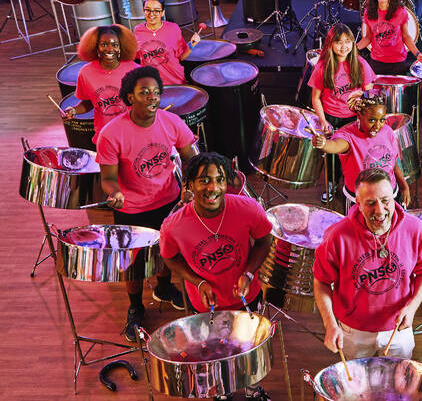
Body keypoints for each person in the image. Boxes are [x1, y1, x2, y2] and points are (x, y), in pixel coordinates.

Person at [96, 66, 197, 342]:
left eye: (156, 92)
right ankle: (135, 306)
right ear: (130, 98)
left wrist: (189, 187)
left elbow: (191, 159)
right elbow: (107, 177)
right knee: (134, 263)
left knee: (168, 253)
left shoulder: (171, 122)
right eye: (144, 92)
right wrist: (114, 192)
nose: (152, 97)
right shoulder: (111, 133)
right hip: (132, 208)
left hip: (168, 201)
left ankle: (163, 288)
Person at [313, 167, 422, 359]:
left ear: (393, 197)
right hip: (353, 331)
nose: (379, 210)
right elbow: (321, 281)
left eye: (386, 200)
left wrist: (412, 307)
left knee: (397, 386)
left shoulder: (416, 230)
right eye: (370, 203)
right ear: (358, 203)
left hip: (398, 328)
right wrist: (330, 324)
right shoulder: (337, 236)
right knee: (357, 387)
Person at [160, 152, 272, 313]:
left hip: (247, 297)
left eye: (220, 180)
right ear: (190, 185)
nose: (213, 188)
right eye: (204, 181)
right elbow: (169, 258)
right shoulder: (172, 226)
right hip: (205, 305)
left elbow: (264, 242)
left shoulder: (249, 209)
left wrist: (248, 274)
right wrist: (199, 283)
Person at [312, 92, 411, 208]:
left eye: (382, 120)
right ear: (358, 116)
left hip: (389, 196)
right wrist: (323, 144)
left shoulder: (387, 131)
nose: (378, 126)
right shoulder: (348, 135)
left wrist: (404, 186)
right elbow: (334, 146)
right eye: (372, 120)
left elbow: (392, 163)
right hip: (361, 201)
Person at [62, 25, 138, 145]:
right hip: (105, 136)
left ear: (121, 47)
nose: (109, 49)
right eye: (104, 45)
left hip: (131, 135)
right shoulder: (86, 72)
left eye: (115, 45)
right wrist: (74, 110)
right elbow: (88, 103)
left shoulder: (135, 70)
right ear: (95, 47)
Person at [310, 23, 376, 132]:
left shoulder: (361, 63)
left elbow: (368, 93)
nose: (344, 46)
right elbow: (315, 98)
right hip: (330, 117)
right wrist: (323, 121)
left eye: (347, 42)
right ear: (330, 44)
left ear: (353, 43)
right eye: (339, 42)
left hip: (355, 116)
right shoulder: (322, 66)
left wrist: (365, 117)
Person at [358, 0, 422, 75]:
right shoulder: (368, 12)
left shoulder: (400, 11)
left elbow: (406, 36)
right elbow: (368, 37)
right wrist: (353, 49)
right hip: (376, 61)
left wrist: (417, 53)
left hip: (397, 62)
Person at [134, 0, 203, 85]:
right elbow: (136, 57)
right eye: (148, 10)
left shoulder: (173, 28)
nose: (151, 14)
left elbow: (181, 56)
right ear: (143, 11)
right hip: (152, 85)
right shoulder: (138, 31)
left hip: (176, 81)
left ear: (163, 13)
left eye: (157, 10)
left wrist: (191, 45)